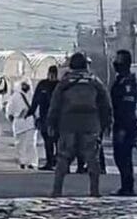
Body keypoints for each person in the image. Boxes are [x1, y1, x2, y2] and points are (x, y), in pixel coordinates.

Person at [47, 52, 113, 197]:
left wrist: (51, 123)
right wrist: (107, 123)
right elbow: (106, 105)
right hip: (91, 125)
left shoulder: (65, 82)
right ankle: (94, 191)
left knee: (63, 158)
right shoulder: (94, 81)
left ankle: (57, 190)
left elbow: (55, 104)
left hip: (67, 124)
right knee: (92, 159)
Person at [110, 50, 137, 196]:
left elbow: (127, 107)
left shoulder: (127, 82)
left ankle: (128, 187)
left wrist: (123, 128)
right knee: (119, 156)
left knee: (124, 156)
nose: (115, 63)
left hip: (125, 125)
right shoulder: (120, 80)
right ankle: (125, 185)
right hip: (120, 123)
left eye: (118, 61)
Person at [29, 66, 60, 170]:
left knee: (57, 141)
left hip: (57, 118)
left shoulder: (59, 85)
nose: (52, 76)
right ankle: (50, 162)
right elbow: (35, 99)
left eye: (54, 74)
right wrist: (31, 112)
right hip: (44, 117)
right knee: (47, 141)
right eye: (50, 73)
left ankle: (57, 161)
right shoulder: (43, 85)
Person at [6, 81, 38, 169]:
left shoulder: (15, 96)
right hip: (28, 122)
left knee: (23, 143)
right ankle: (29, 162)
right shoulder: (31, 96)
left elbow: (9, 111)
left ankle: (24, 161)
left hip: (21, 123)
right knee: (28, 143)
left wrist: (12, 119)